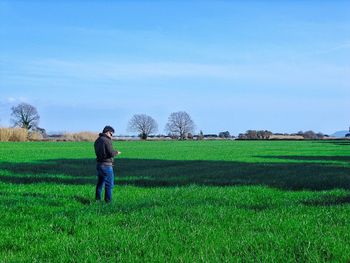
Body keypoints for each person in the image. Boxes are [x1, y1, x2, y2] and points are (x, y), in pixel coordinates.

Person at [94, 125, 121, 203]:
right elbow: (111, 153)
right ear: (108, 132)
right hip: (106, 166)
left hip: (99, 164)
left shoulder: (97, 140)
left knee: (100, 184)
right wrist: (117, 152)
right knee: (109, 184)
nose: (112, 136)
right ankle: (108, 202)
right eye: (111, 134)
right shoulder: (107, 140)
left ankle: (97, 200)